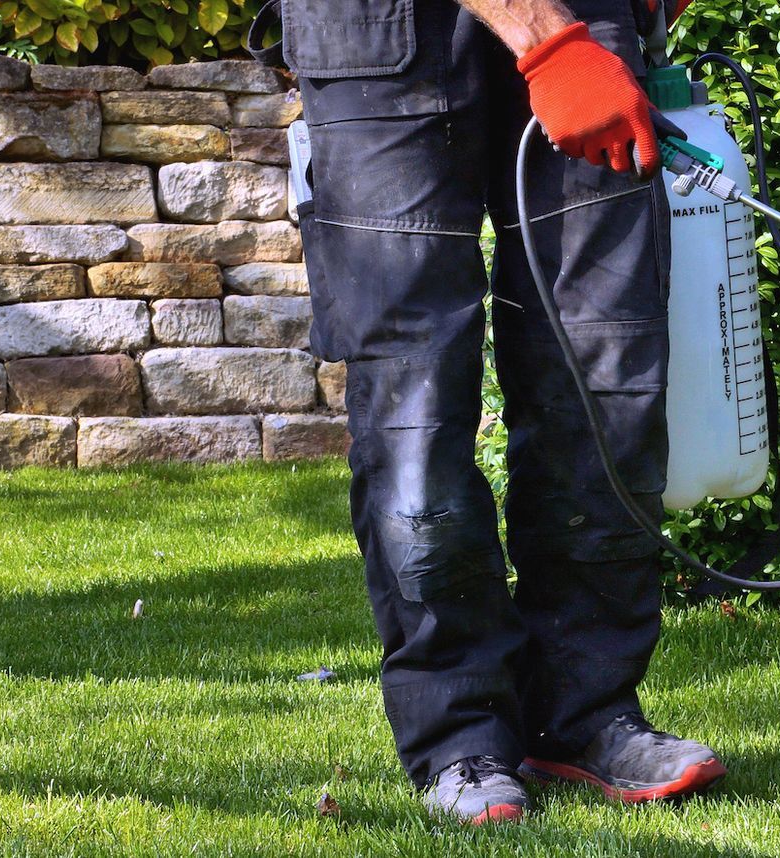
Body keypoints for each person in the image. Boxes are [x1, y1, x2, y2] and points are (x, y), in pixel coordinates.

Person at [279, 0, 721, 825]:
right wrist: (546, 40)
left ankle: (586, 713)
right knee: (415, 401)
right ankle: (460, 735)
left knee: (605, 375)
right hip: (380, 35)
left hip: (592, 26)